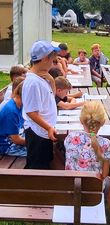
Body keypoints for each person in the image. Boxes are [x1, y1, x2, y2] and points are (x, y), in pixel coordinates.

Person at [64, 101, 110, 225]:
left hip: (70, 185)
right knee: (109, 182)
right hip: (93, 188)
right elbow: (104, 175)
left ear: (81, 120)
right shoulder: (105, 143)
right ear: (102, 122)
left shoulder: (70, 137)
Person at [22, 40, 60, 169]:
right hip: (38, 133)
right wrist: (49, 128)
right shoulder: (33, 83)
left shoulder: (42, 77)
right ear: (45, 59)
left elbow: (49, 99)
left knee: (45, 163)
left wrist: (51, 82)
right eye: (52, 59)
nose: (54, 62)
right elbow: (31, 112)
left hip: (43, 131)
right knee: (37, 168)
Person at [0, 78, 27, 156]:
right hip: (6, 146)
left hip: (16, 137)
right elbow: (16, 140)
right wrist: (33, 143)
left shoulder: (20, 105)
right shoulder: (11, 111)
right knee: (38, 153)